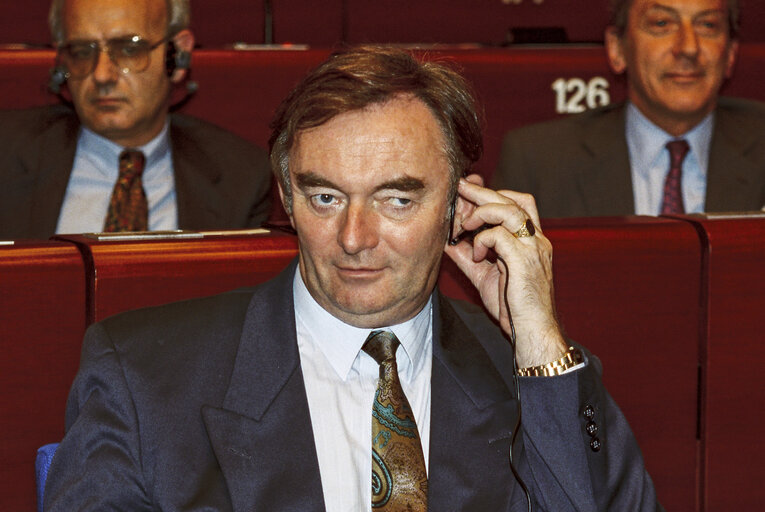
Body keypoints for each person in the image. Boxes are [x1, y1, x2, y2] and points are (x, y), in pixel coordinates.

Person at [44, 46, 661, 511]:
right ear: (285, 197)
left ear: (459, 206)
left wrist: (540, 344)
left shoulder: (532, 377)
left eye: (396, 200)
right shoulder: (141, 378)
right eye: (324, 198)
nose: (354, 238)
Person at [0, 0, 271, 239]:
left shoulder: (242, 179)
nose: (102, 75)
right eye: (82, 52)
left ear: (177, 55)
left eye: (129, 50)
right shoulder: (6, 153)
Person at [492, 0, 765, 218]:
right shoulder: (539, 161)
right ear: (617, 48)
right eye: (662, 23)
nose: (688, 48)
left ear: (730, 53)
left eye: (707, 25)